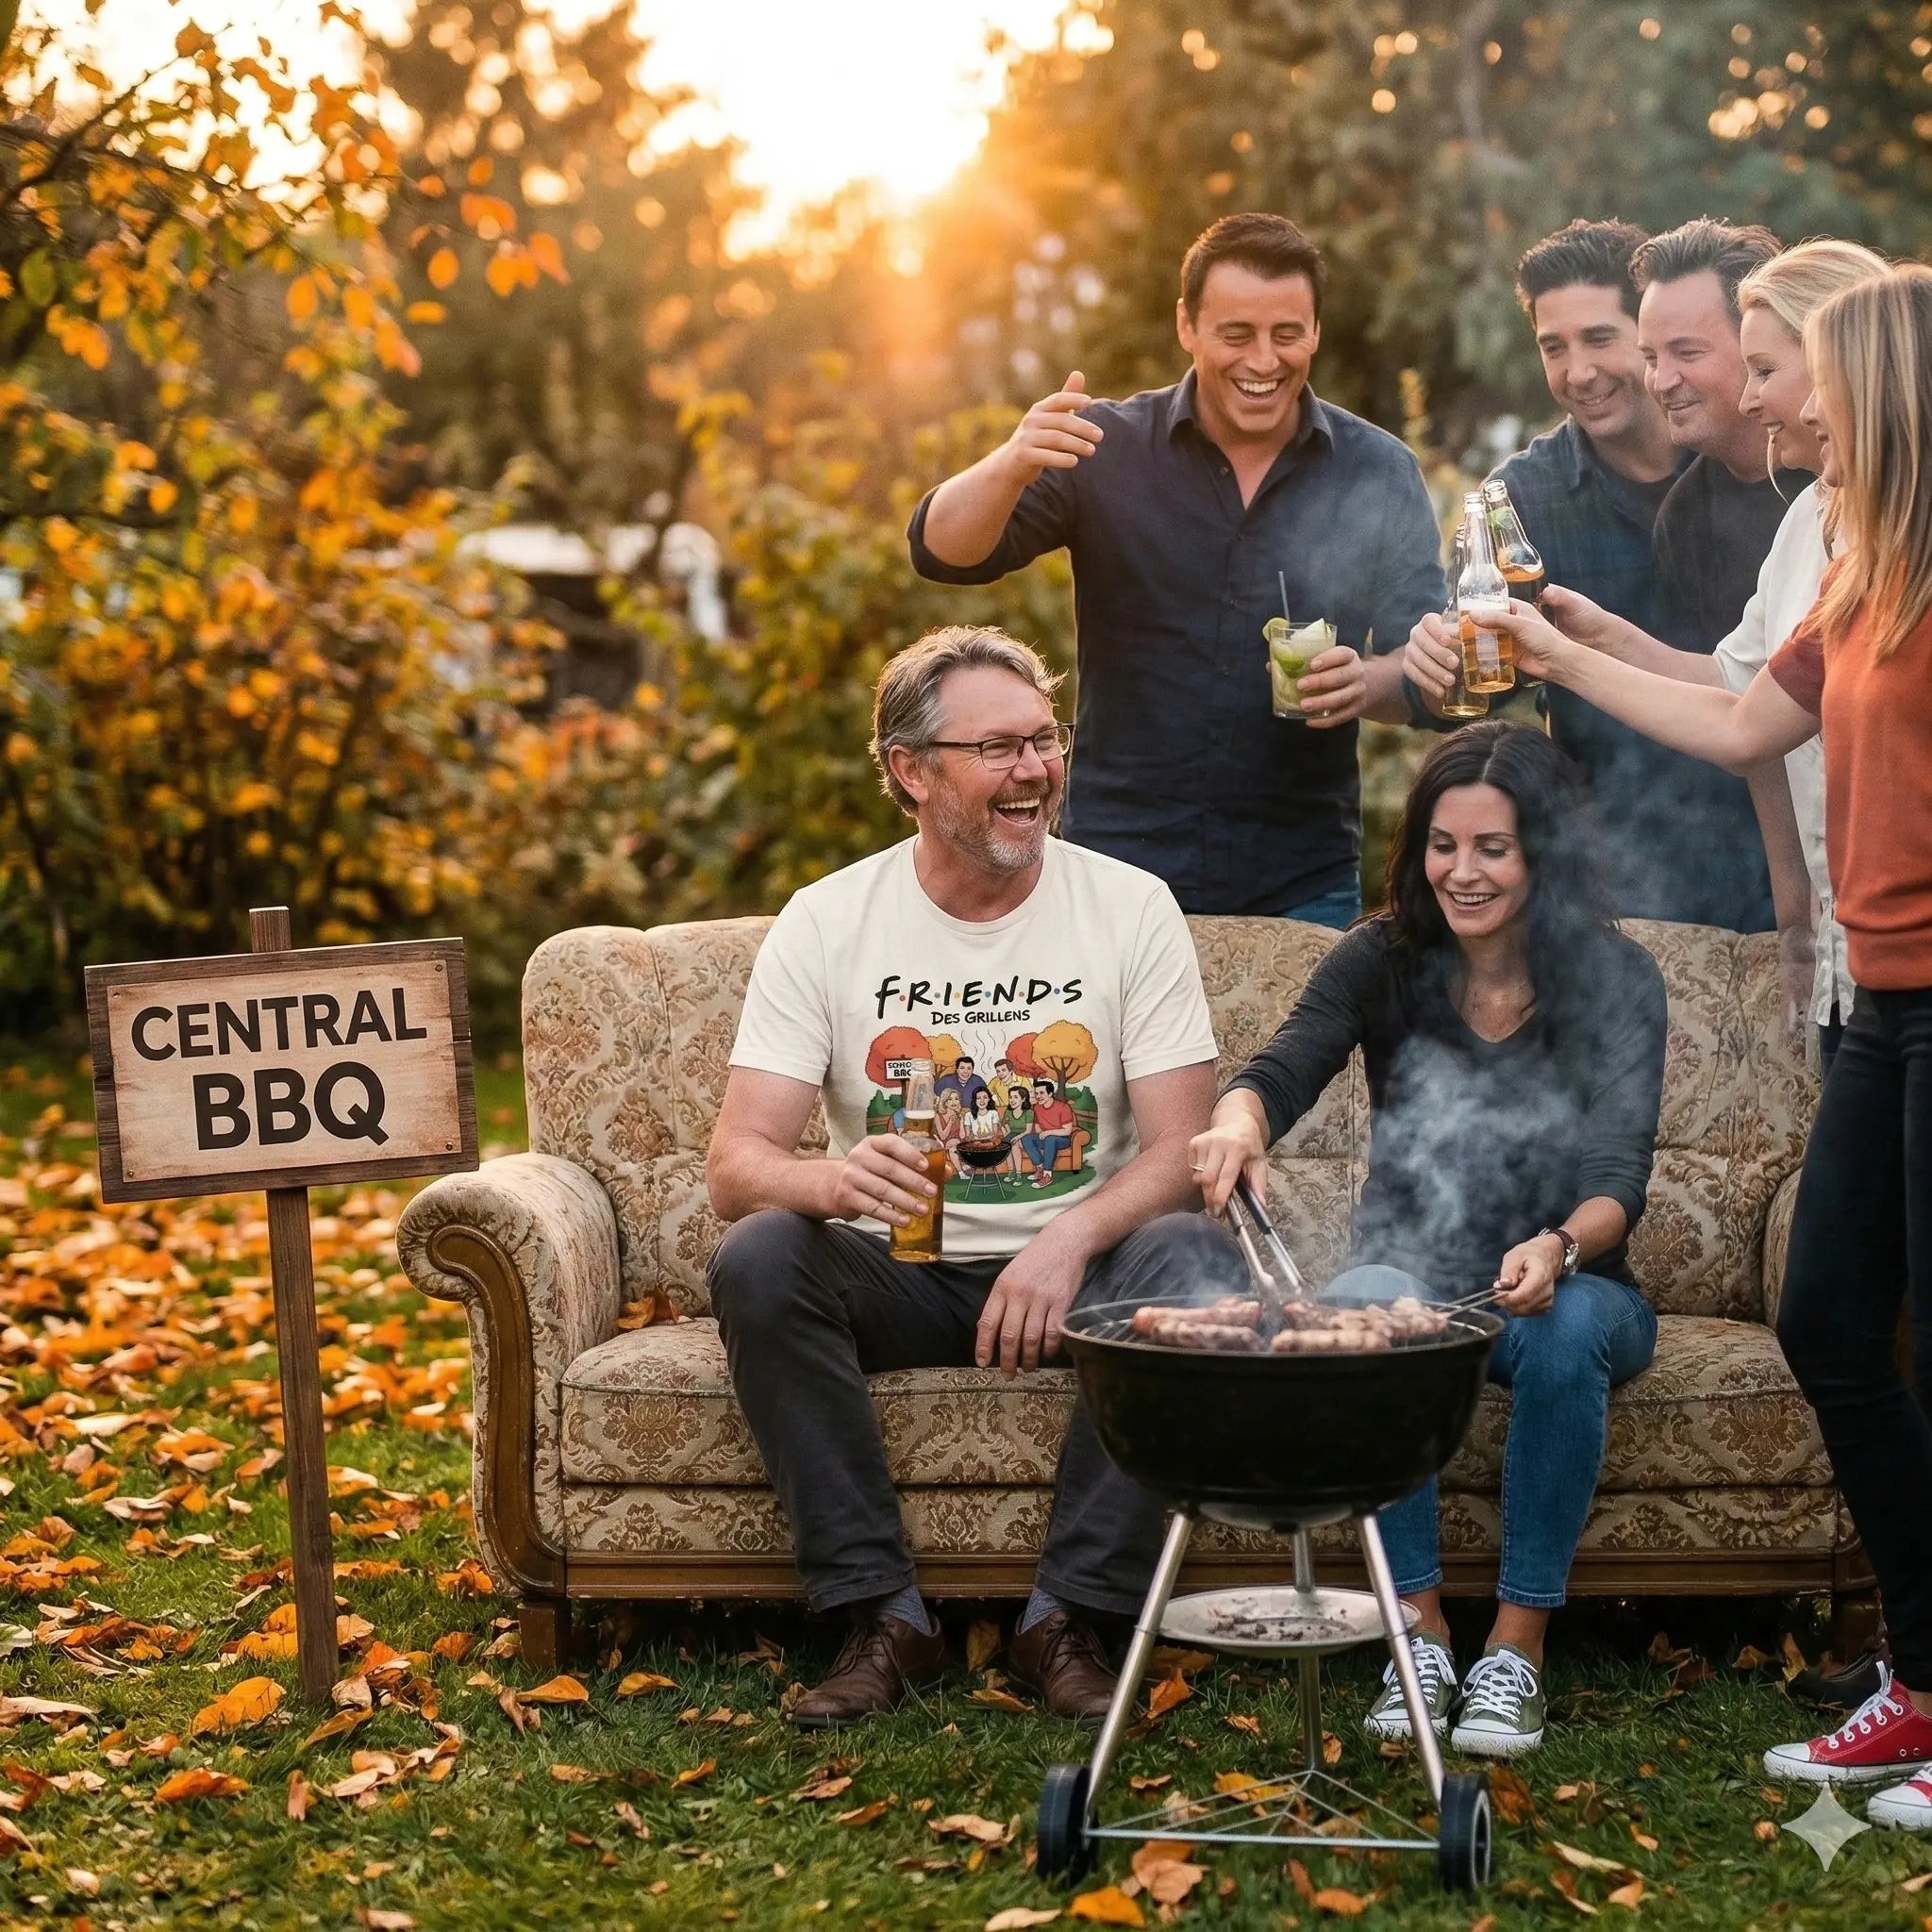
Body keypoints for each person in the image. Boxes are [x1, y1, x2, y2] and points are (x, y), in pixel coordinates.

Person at [1483, 268, 1932, 1828]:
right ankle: (1921, 1681)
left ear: (1864, 381)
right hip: (1873, 1001)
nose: (1755, 399)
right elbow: (1743, 722)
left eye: (1776, 372)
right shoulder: (1857, 560)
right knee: (1828, 1318)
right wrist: (1561, 655)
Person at [706, 625, 1223, 1728]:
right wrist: (834, 1182)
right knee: (757, 1255)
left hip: (1080, 1284)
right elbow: (735, 1166)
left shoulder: (1128, 906)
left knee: (1190, 1252)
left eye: (1045, 738)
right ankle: (881, 1617)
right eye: (996, 748)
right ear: (910, 769)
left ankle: (1067, 1619)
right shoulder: (829, 918)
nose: (1033, 770)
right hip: (901, 1267)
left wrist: (1069, 1237)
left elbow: (1184, 1152)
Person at [1191, 723, 1667, 1757]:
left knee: (1562, 1328)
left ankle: (1515, 1646)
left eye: (1492, 847)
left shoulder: (1617, 979)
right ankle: (1418, 1637)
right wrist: (1235, 1123)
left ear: (1542, 851)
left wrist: (1555, 1247)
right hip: (1421, 1282)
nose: (1462, 871)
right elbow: (1278, 1069)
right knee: (1366, 1294)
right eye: (1442, 845)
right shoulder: (1379, 958)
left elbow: (1615, 1179)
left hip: (1579, 1285)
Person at [1410, 240, 1889, 1062]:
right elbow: (1750, 694)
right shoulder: (1809, 521)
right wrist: (1595, 636)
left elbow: (1747, 729)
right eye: (1553, 347)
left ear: (1840, 366)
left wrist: (1564, 657)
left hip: (1879, 934)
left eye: (1690, 354)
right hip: (1823, 931)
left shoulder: (1879, 534)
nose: (1653, 376)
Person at [909, 212, 1444, 924]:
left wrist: (1366, 682)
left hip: (1298, 879)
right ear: (1186, 325)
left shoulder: (1377, 470)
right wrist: (1011, 463)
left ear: (1315, 331)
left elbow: (1435, 673)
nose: (1264, 361)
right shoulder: (1106, 448)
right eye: (1236, 335)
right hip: (1115, 869)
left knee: (1291, 1044)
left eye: (1287, 334)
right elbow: (943, 552)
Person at [1415, 218, 1786, 933]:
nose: (1578, 372)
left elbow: (1749, 696)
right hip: (1616, 881)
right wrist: (1435, 665)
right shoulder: (1520, 501)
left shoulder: (1762, 466)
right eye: (1554, 347)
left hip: (1779, 856)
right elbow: (1464, 688)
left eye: (1599, 339)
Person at [1020, 1077, 1077, 1185]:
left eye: (1042, 1093)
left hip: (1062, 1140)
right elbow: (1037, 1125)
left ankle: (1047, 1175)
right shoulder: (1036, 1108)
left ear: (1050, 1094)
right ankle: (1040, 1168)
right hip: (1046, 1138)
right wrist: (1040, 1130)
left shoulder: (1063, 1107)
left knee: (1050, 1139)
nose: (1038, 1096)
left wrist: (1048, 1133)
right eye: (1036, 1093)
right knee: (1026, 1138)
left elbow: (1067, 1131)